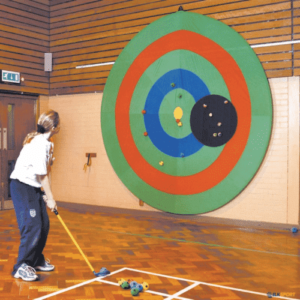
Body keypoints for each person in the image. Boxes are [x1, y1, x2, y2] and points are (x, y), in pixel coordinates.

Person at [10, 110, 60, 281]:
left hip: (33, 187)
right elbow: (42, 175)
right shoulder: (39, 144)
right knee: (32, 226)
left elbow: (45, 171)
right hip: (22, 186)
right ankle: (21, 266)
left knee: (44, 225)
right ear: (55, 127)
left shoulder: (48, 144)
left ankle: (36, 259)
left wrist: (45, 193)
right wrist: (51, 198)